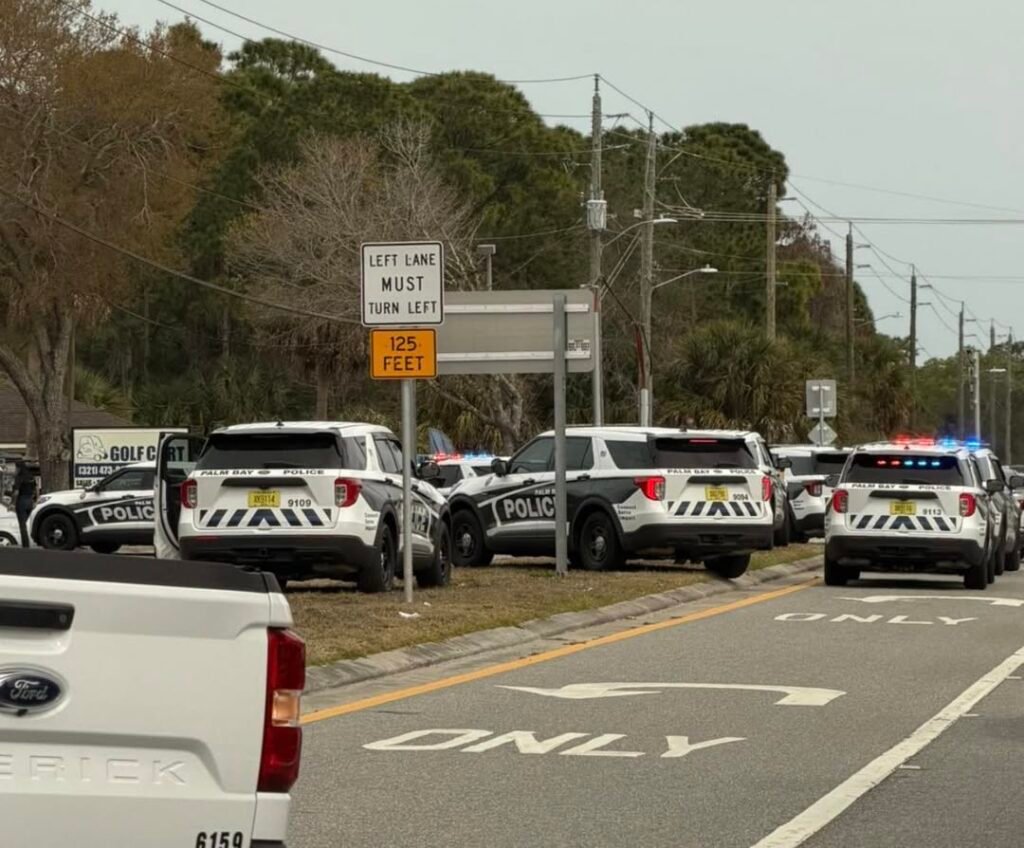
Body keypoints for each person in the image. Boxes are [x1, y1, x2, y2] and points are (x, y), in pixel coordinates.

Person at [13, 460, 37, 548]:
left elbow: (16, 492)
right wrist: (35, 501)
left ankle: (25, 545)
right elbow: (36, 489)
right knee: (25, 523)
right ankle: (27, 542)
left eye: (16, 467)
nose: (15, 470)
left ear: (19, 468)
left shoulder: (19, 477)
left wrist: (12, 503)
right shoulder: (30, 476)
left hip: (22, 501)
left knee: (22, 525)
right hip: (30, 501)